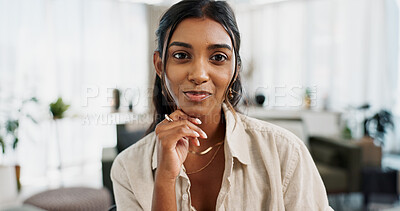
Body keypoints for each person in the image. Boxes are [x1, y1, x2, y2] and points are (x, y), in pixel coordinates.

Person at [111, 0, 333, 210]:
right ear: (160, 66)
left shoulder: (285, 153)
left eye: (218, 57)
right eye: (181, 55)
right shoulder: (128, 167)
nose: (198, 75)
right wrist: (165, 179)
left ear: (235, 68)